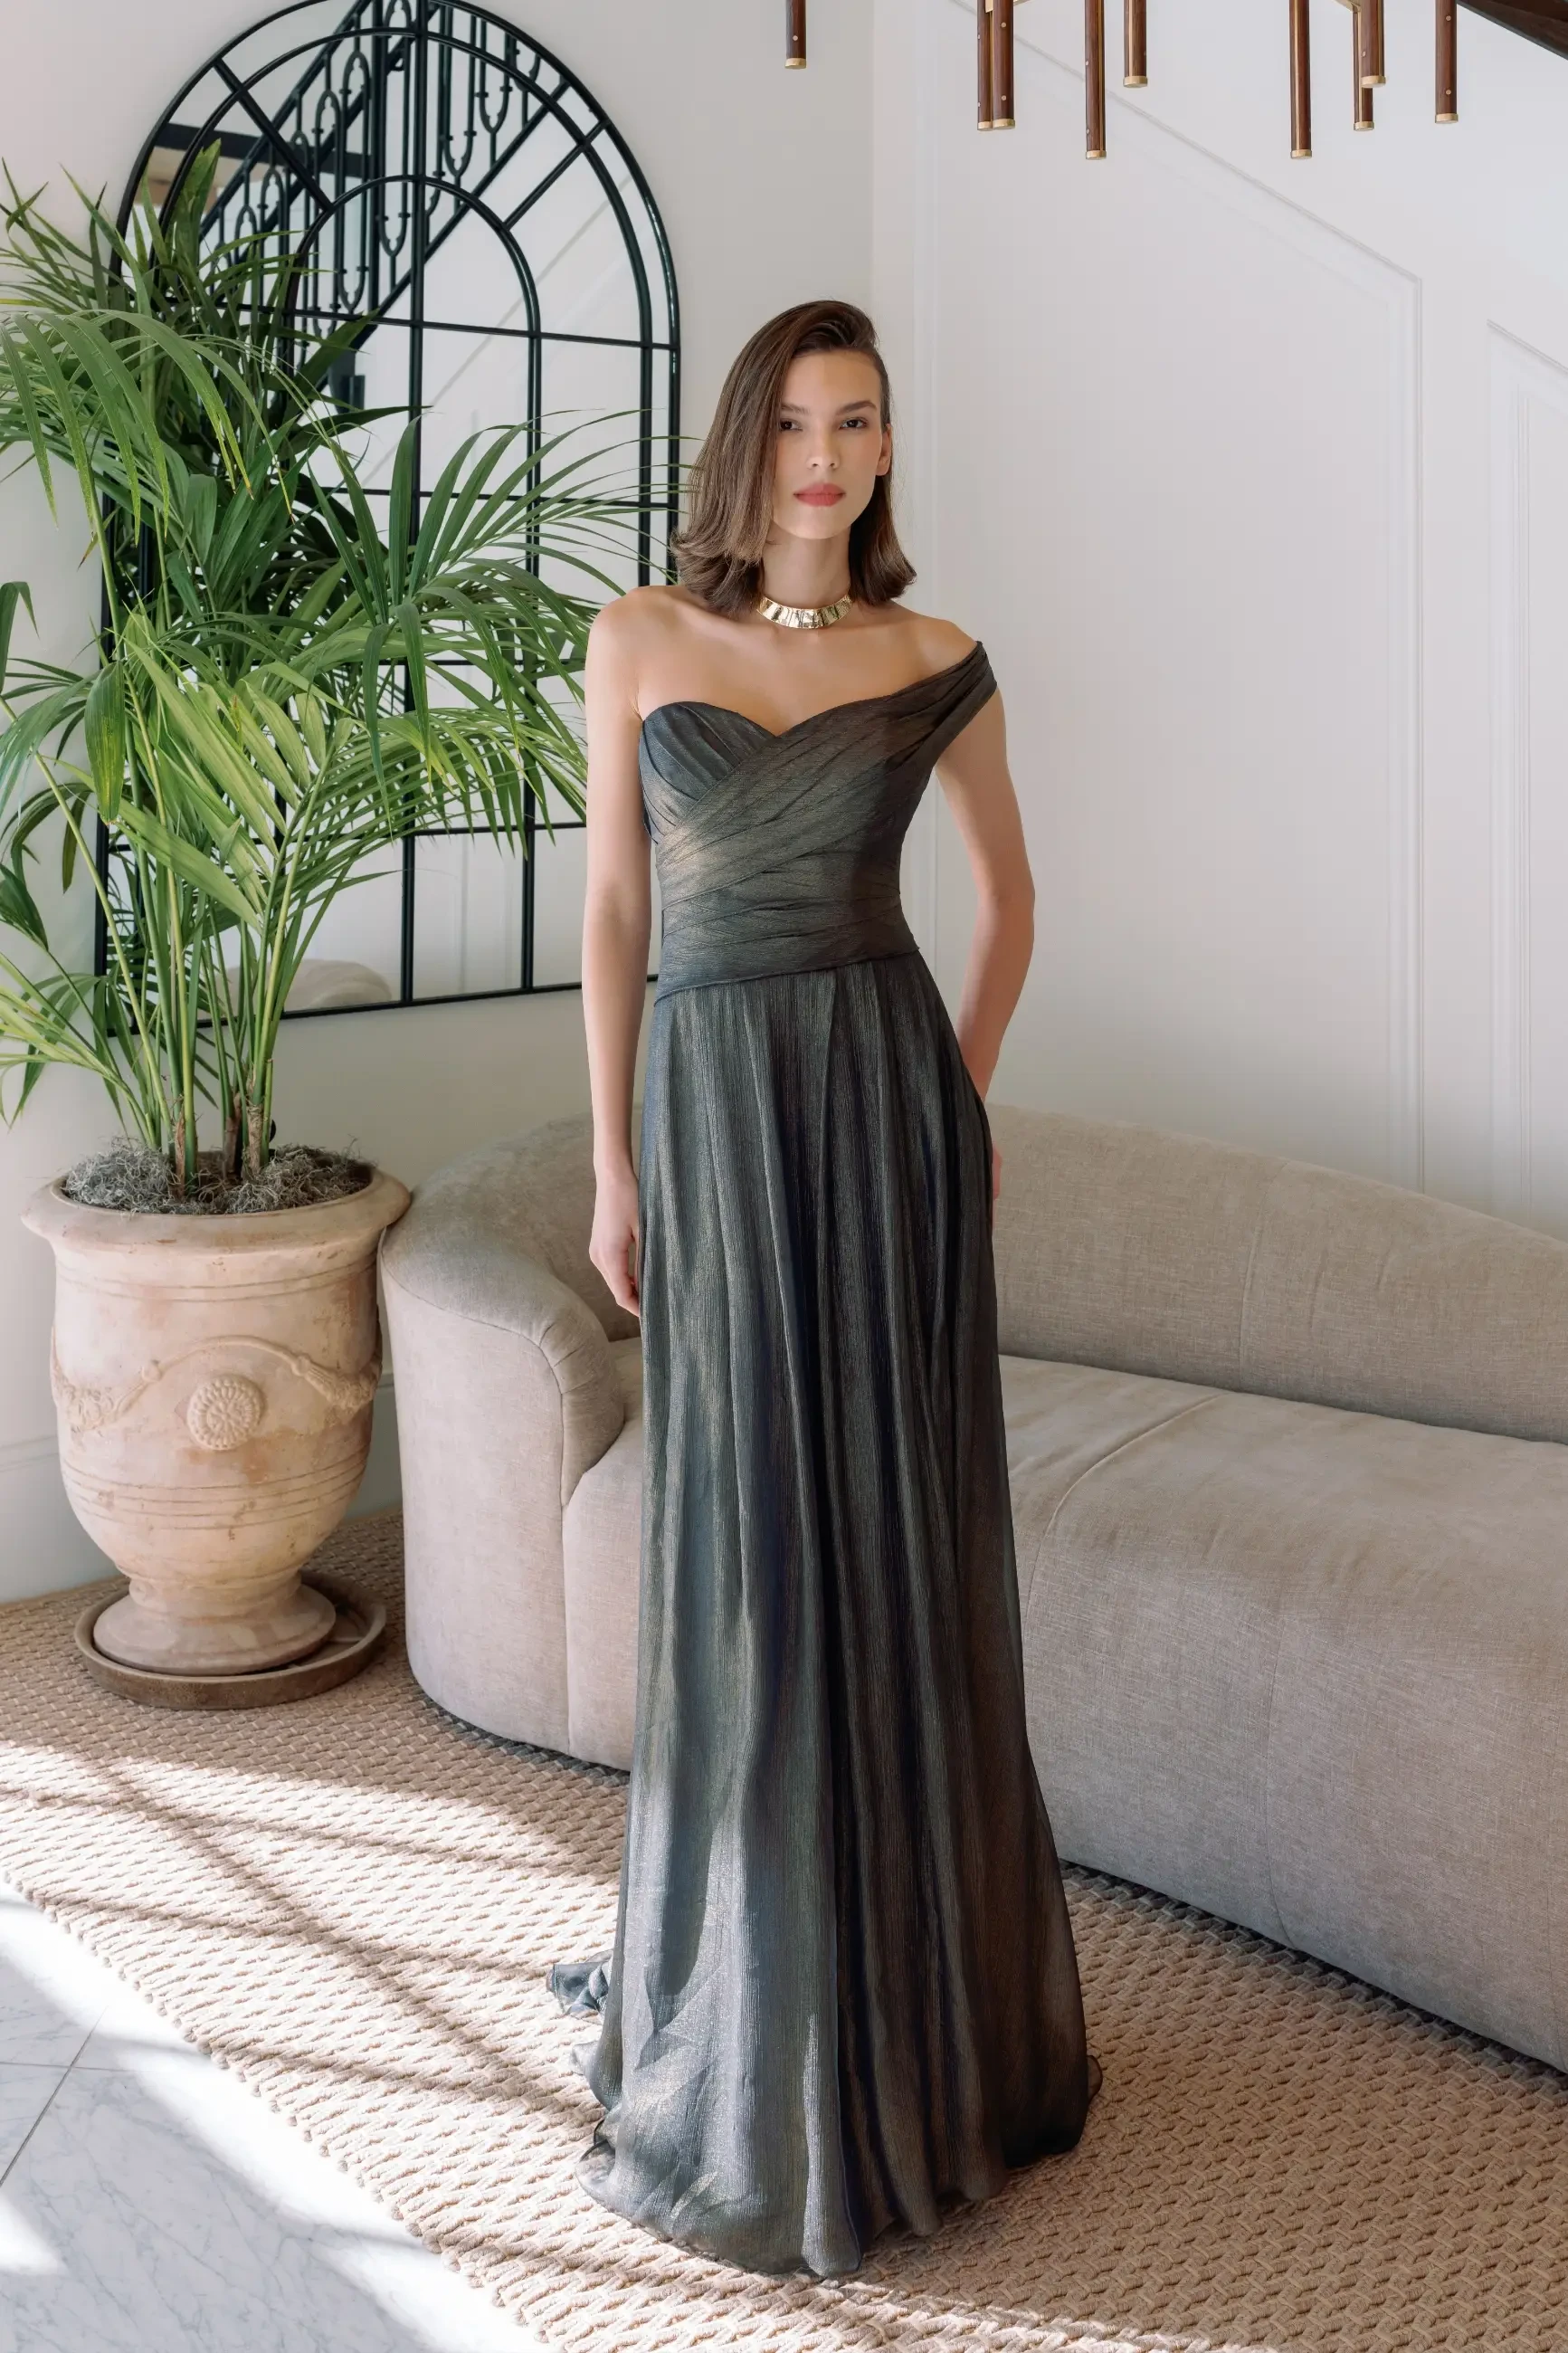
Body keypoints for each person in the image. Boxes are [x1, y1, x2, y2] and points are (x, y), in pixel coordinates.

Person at [547, 297, 1099, 2280]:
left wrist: (951, 1101)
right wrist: (612, 1161)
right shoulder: (634, 638)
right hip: (706, 1104)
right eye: (792, 417)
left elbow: (1010, 901)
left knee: (892, 1539)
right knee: (746, 1548)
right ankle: (747, 2021)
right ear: (743, 438)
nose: (823, 452)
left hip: (882, 1112)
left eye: (855, 421)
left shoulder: (933, 658)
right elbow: (613, 904)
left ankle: (917, 2034)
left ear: (883, 451)